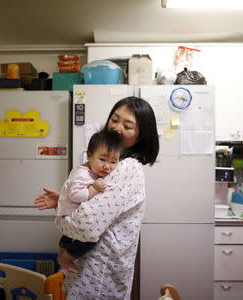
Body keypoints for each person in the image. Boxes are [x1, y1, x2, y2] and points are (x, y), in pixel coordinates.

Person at [34, 96, 159, 299]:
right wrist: (65, 201)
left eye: (127, 126)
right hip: (91, 268)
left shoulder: (127, 168)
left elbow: (86, 225)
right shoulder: (115, 163)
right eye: (114, 119)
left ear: (141, 135)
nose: (117, 128)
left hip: (99, 273)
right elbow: (99, 205)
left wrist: (61, 218)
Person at [56, 130, 124, 274]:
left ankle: (62, 252)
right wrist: (94, 189)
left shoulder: (92, 171)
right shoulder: (82, 174)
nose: (107, 166)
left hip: (68, 214)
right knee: (90, 238)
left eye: (113, 162)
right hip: (69, 215)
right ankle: (66, 258)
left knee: (69, 237)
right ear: (89, 156)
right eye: (103, 160)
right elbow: (76, 195)